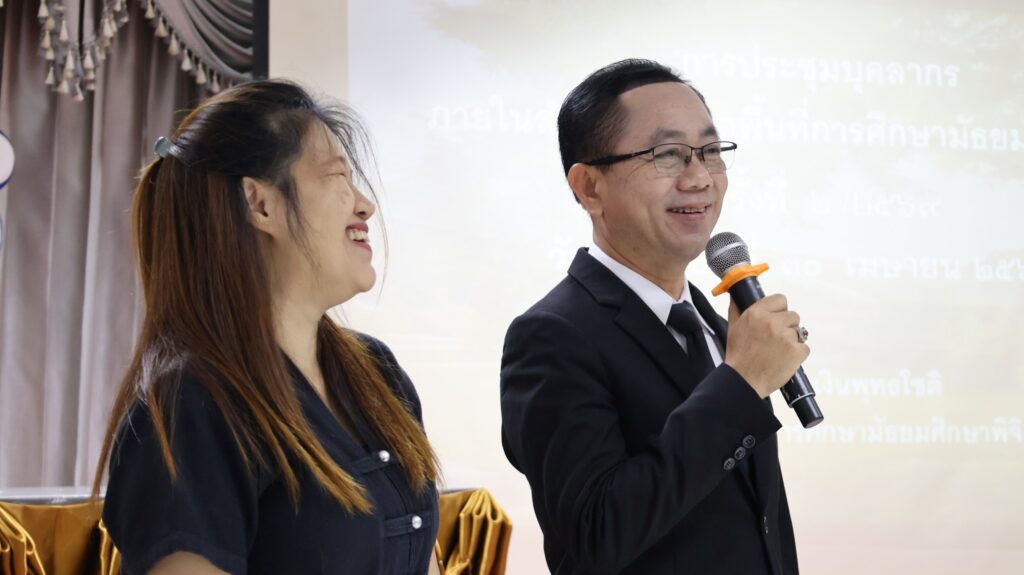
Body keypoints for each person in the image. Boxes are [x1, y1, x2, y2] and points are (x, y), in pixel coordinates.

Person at [93, 80, 442, 575]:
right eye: (337, 177)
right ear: (260, 205)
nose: (365, 205)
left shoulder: (376, 372)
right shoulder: (190, 408)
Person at [500, 59, 807, 574]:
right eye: (667, 155)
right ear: (589, 187)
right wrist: (740, 383)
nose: (700, 178)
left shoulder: (714, 324)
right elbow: (595, 535)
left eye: (710, 151)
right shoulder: (552, 336)